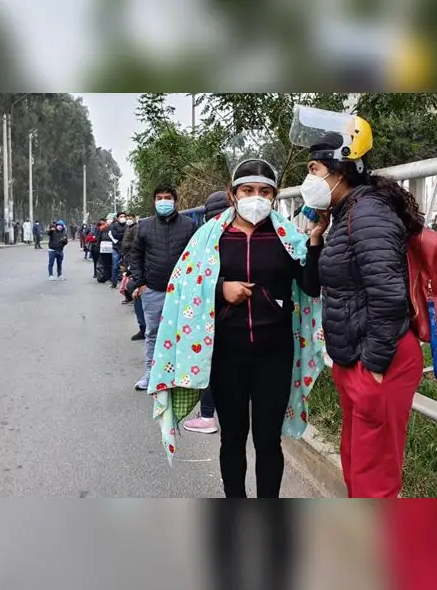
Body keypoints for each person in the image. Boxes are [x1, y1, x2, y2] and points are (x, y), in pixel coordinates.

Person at [147, 162, 324, 498]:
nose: (256, 198)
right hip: (226, 355)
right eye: (248, 190)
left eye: (265, 191)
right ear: (232, 194)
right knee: (232, 439)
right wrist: (220, 289)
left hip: (275, 355)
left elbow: (311, 287)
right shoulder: (209, 238)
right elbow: (184, 285)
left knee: (268, 441)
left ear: (274, 196)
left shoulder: (288, 238)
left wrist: (315, 240)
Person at [292, 107, 426, 498]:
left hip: (379, 359)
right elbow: (313, 287)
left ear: (341, 170)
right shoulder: (344, 215)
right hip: (355, 357)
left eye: (314, 169)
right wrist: (315, 239)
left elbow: (388, 293)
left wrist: (375, 366)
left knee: (374, 476)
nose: (309, 179)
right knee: (356, 464)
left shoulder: (368, 213)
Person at [129, 185, 196, 391]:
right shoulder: (144, 226)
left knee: (182, 332)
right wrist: (140, 283)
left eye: (167, 197)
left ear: (175, 201)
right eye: (159, 198)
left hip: (182, 292)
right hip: (153, 289)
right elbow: (135, 256)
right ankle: (152, 373)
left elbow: (196, 256)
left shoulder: (189, 225)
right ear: (154, 201)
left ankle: (180, 374)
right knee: (153, 333)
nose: (163, 201)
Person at [181, 189, 229, 435]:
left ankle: (208, 415)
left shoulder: (203, 238)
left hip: (211, 315)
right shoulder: (245, 235)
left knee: (209, 364)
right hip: (245, 318)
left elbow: (192, 280)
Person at [109, 211, 127, 289]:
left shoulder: (127, 226)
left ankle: (125, 284)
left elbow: (129, 236)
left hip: (126, 249)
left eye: (124, 216)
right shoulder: (114, 226)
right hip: (116, 248)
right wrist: (124, 235)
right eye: (121, 216)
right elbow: (115, 236)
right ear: (117, 218)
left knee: (126, 267)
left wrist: (122, 235)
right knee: (115, 266)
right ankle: (114, 283)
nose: (123, 218)